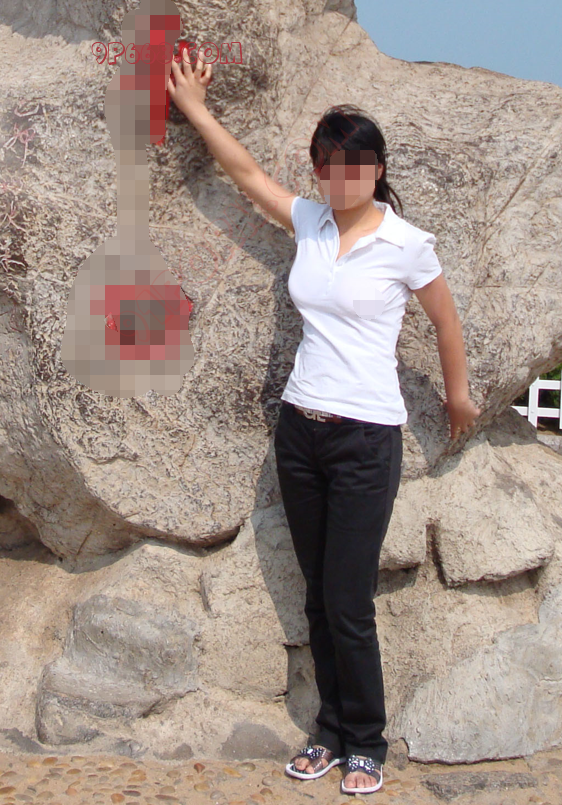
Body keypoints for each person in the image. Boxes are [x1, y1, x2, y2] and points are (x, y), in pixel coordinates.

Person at [167, 51, 481, 797]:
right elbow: (247, 177)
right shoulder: (309, 221)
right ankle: (329, 732)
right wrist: (197, 109)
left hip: (367, 438)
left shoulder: (406, 243)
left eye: (355, 166)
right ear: (318, 173)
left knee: (347, 599)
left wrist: (460, 396)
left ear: (377, 169)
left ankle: (365, 739)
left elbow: (445, 322)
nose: (342, 179)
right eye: (328, 167)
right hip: (300, 430)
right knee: (317, 594)